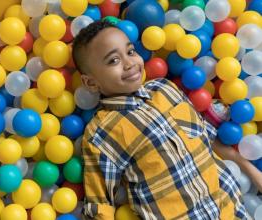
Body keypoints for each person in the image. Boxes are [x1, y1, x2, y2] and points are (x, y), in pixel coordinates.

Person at [72, 20, 256, 219]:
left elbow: (207, 138)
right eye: (113, 61)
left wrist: (254, 173)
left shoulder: (164, 89)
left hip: (231, 209)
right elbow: (100, 206)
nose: (129, 63)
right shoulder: (101, 132)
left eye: (131, 52)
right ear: (91, 82)